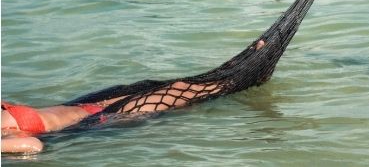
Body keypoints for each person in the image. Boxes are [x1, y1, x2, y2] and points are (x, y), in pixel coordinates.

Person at [2, 41, 266, 153]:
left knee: (163, 85)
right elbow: (33, 147)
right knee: (178, 93)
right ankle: (243, 72)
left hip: (84, 105)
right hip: (100, 119)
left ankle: (236, 67)